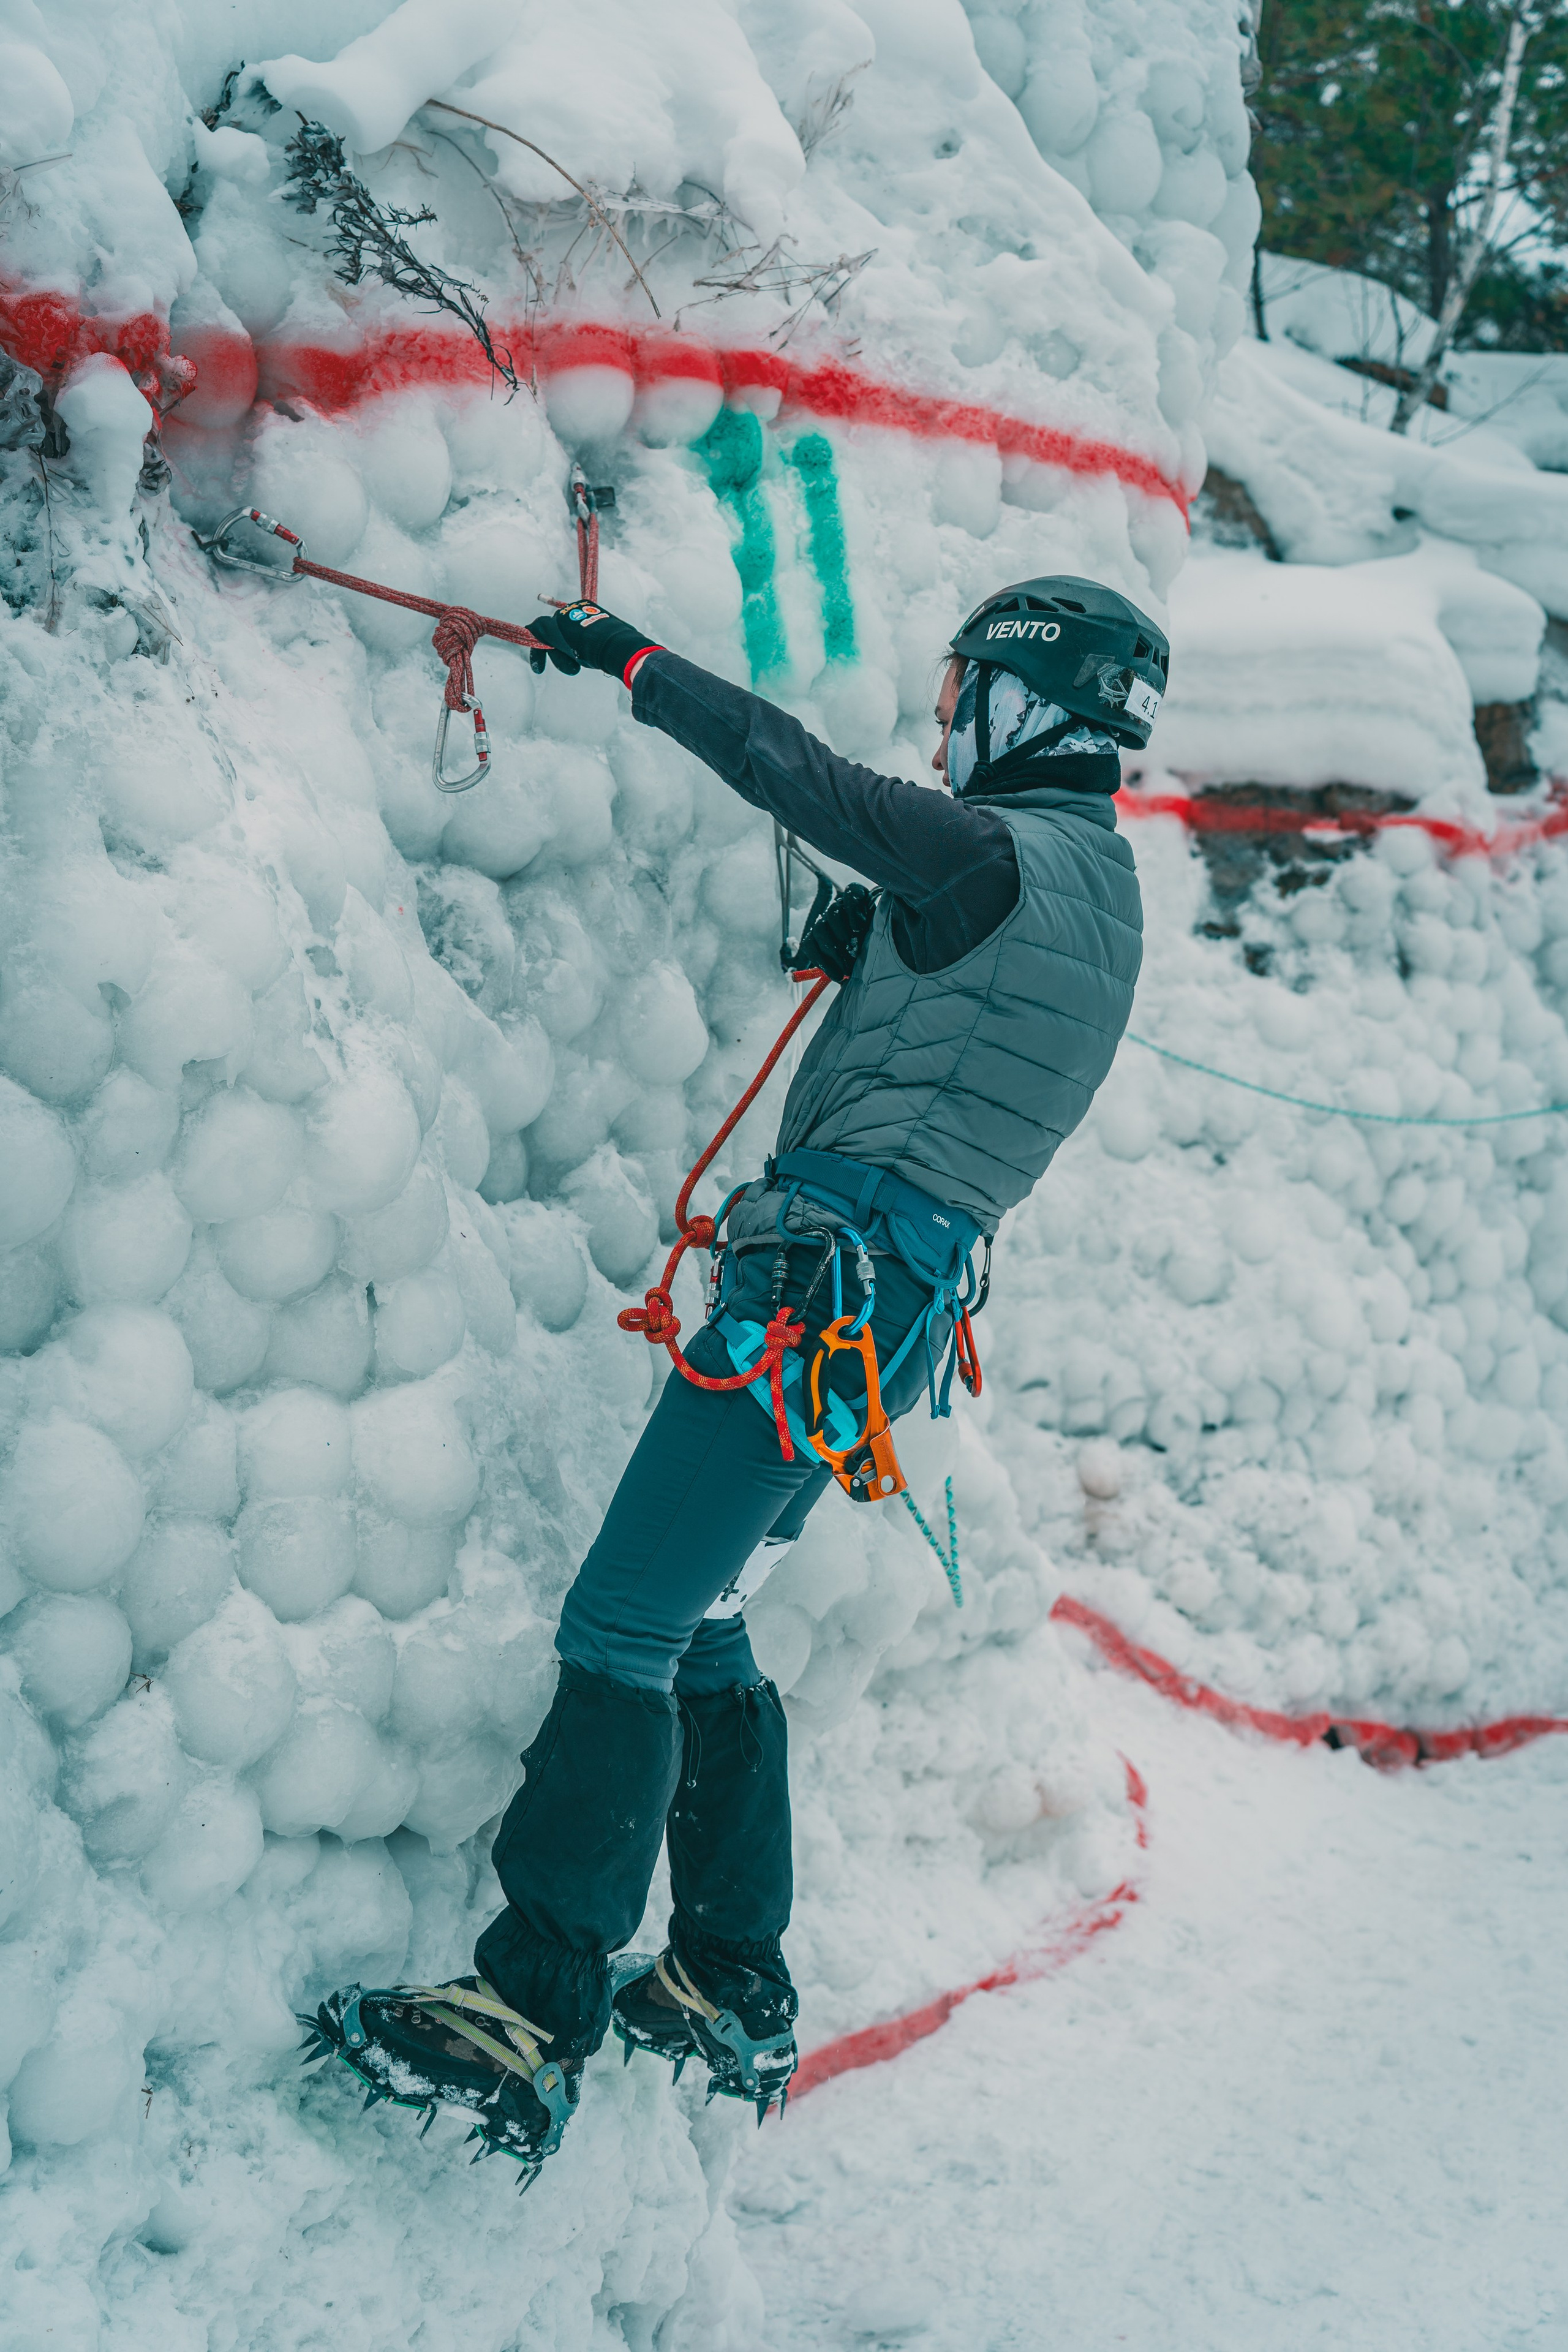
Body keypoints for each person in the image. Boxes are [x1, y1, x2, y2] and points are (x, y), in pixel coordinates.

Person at [302, 573, 1163, 2184]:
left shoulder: (989, 851)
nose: (947, 726)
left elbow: (794, 773)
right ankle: (727, 1979)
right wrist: (889, 954)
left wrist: (631, 658)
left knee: (621, 1625)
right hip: (883, 1320)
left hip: (809, 1297)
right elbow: (968, 1038)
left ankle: (531, 2008)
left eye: (965, 696)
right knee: (699, 1621)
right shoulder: (1097, 887)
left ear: (1029, 706)